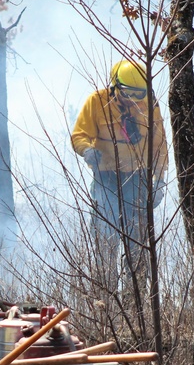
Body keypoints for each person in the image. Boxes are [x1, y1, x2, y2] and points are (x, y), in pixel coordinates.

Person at [71, 59, 168, 290]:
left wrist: (160, 181)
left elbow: (160, 146)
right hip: (106, 179)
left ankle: (136, 295)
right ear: (115, 86)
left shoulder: (150, 104)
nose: (135, 100)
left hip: (138, 178)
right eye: (128, 94)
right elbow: (79, 135)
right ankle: (106, 294)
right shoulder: (97, 101)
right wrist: (88, 151)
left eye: (139, 94)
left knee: (138, 241)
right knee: (106, 237)